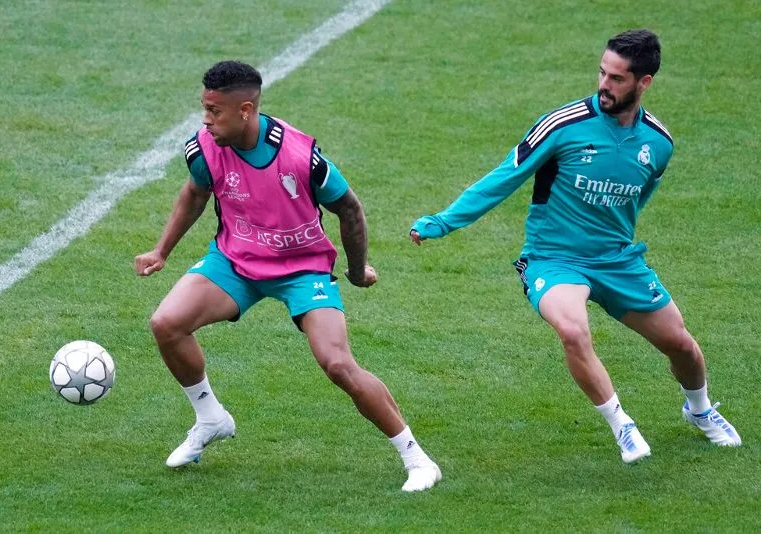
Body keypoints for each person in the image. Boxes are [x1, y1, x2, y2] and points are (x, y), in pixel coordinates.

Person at [410, 29, 740, 463]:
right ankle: (622, 425)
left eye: (617, 78)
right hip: (554, 259)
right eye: (602, 73)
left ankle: (699, 410)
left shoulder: (658, 144)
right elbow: (503, 178)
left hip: (617, 260)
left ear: (644, 82)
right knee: (572, 330)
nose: (604, 84)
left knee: (681, 345)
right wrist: (441, 222)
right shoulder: (562, 126)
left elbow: (638, 198)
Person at [135, 60, 441, 491]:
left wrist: (356, 271)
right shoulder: (203, 149)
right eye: (204, 108)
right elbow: (195, 193)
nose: (205, 119)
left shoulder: (300, 157)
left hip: (302, 268)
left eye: (214, 111)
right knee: (167, 323)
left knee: (337, 364)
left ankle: (418, 460)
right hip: (237, 261)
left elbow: (349, 208)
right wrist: (161, 250)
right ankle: (210, 418)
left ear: (245, 110)